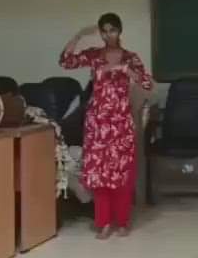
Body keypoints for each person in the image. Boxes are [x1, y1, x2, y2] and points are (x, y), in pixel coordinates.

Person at [60, 13, 154, 238]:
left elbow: (147, 83)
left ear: (120, 31)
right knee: (100, 174)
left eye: (112, 30)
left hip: (120, 121)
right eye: (104, 30)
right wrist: (80, 35)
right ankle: (103, 222)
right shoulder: (94, 55)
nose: (108, 34)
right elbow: (66, 61)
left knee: (121, 173)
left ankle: (122, 221)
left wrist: (126, 71)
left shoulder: (130, 57)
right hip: (98, 122)